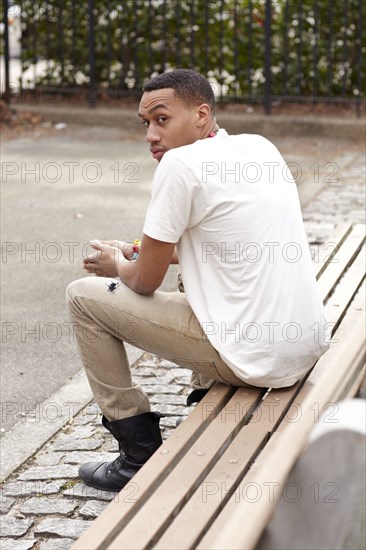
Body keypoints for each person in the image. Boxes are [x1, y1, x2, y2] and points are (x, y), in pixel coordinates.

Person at [66, 69, 329, 492]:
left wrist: (118, 265)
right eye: (145, 123)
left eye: (162, 119)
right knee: (193, 269)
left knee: (82, 297)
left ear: (202, 114)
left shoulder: (179, 164)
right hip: (302, 347)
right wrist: (137, 254)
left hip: (255, 361)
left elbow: (145, 282)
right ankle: (204, 399)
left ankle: (137, 453)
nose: (151, 134)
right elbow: (221, 242)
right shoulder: (257, 147)